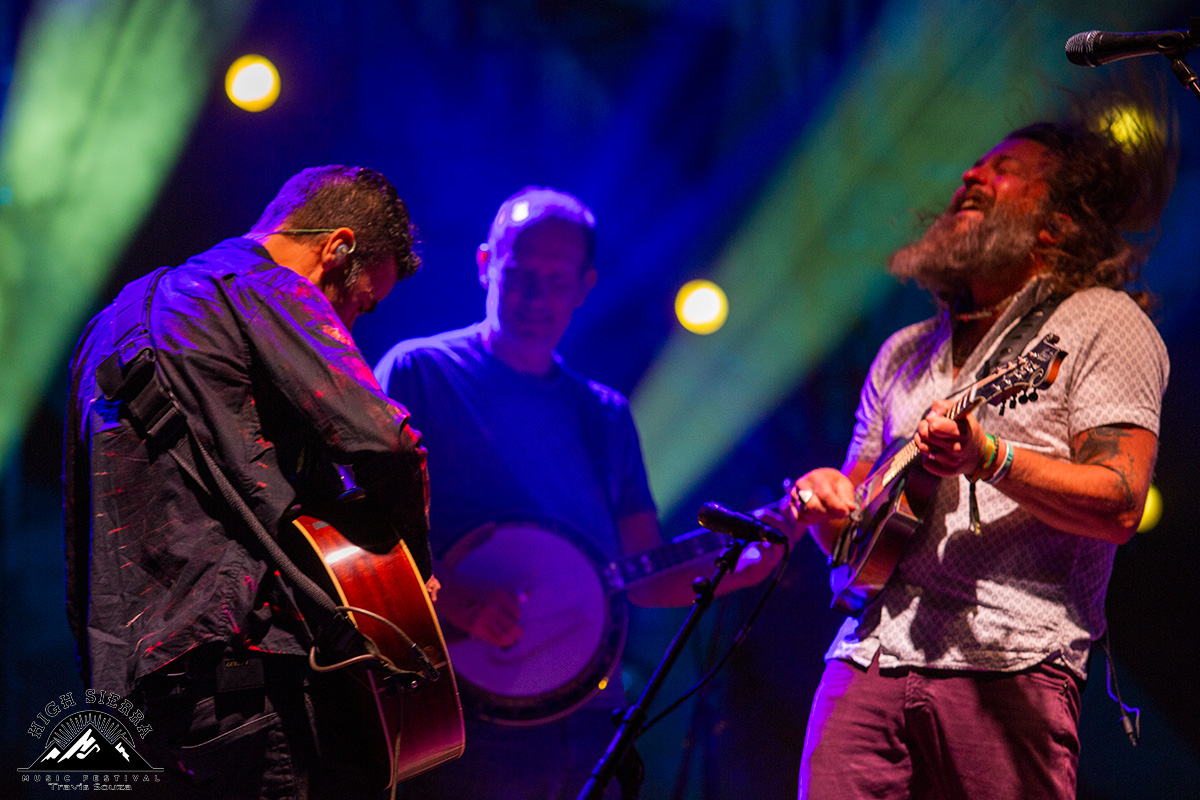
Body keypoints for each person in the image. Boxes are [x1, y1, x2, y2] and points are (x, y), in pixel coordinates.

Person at [775, 104, 1175, 800]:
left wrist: (990, 457)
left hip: (1011, 660)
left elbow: (1119, 503)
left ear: (1059, 223)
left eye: (1004, 171)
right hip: (866, 659)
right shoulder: (902, 353)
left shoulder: (1103, 322)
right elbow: (861, 556)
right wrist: (827, 505)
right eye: (975, 166)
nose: (971, 174)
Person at [374, 186, 793, 799]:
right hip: (454, 710)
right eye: (521, 274)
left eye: (557, 278)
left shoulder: (606, 415)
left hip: (584, 721)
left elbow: (646, 572)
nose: (538, 296)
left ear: (584, 286)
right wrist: (453, 603)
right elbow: (359, 527)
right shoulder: (419, 372)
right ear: (487, 264)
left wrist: (762, 555)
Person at [64, 165, 435, 799]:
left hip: (132, 695)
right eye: (358, 302)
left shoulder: (108, 323)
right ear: (336, 248)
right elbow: (387, 440)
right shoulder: (266, 286)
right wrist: (414, 585)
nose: (350, 326)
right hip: (251, 679)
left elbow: (82, 527)